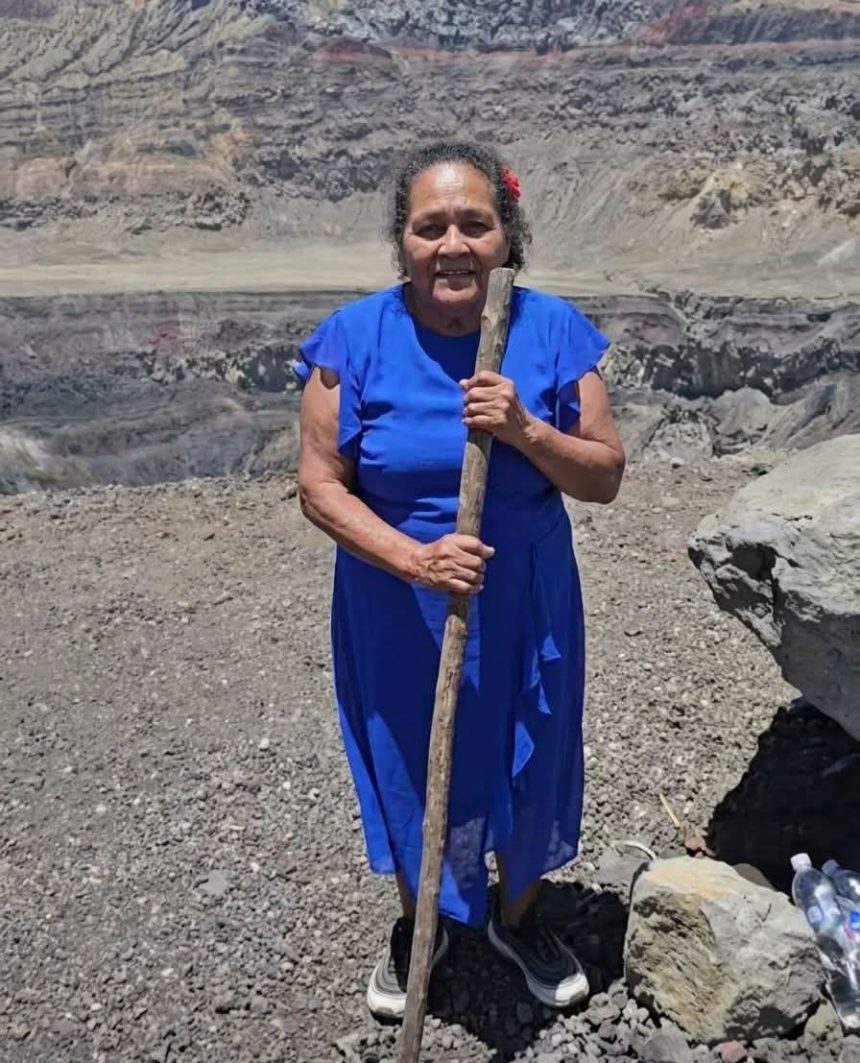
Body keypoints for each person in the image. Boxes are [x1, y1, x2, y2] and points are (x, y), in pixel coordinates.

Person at [295, 141, 625, 1019]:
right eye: (429, 226)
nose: (452, 245)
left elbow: (603, 474)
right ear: (401, 241)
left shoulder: (552, 329)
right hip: (395, 602)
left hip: (526, 598)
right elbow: (318, 483)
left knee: (530, 750)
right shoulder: (354, 337)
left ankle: (516, 918)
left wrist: (524, 429)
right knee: (411, 759)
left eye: (473, 225)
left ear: (505, 236)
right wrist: (416, 559)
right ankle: (422, 924)